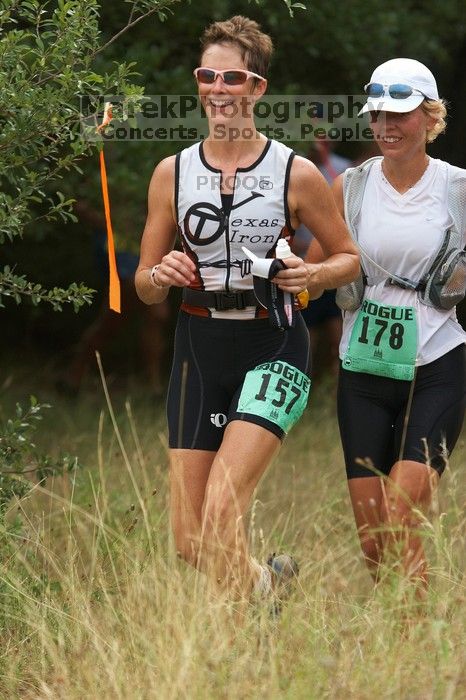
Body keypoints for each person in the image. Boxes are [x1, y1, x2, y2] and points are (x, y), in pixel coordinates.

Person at [135, 16, 359, 605]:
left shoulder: (297, 172)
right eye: (207, 75)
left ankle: (244, 650)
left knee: (220, 509)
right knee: (189, 541)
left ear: (257, 88)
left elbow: (349, 259)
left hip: (273, 347)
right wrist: (159, 274)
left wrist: (312, 274)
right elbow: (143, 284)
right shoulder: (172, 173)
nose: (217, 88)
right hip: (198, 348)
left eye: (232, 77)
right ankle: (267, 588)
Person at [308, 58, 466, 591]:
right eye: (377, 114)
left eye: (399, 113)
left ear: (430, 116)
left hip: (438, 365)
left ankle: (415, 640)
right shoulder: (348, 187)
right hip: (364, 369)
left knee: (400, 515)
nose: (386, 126)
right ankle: (404, 638)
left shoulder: (458, 189)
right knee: (375, 539)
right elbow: (315, 267)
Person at [294, 141, 352, 376]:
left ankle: (334, 391)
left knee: (339, 334)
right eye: (312, 136)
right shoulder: (291, 167)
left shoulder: (343, 169)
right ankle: (303, 391)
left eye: (323, 136)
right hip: (299, 267)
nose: (318, 143)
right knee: (306, 337)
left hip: (339, 267)